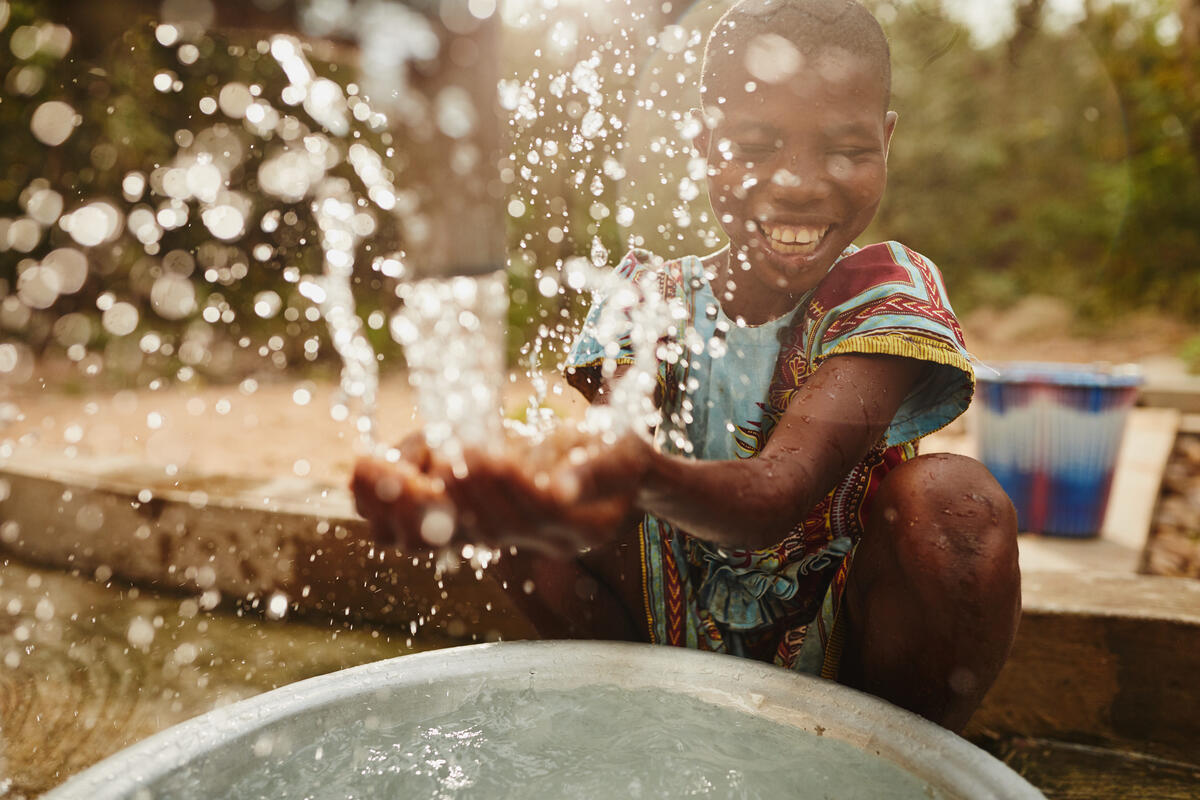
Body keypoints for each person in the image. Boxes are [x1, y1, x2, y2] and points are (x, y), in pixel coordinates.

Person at [353, 0, 1020, 735]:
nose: (797, 181)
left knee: (957, 503)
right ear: (703, 143)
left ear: (886, 140)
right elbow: (597, 473)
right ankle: (634, 736)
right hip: (655, 634)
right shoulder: (645, 298)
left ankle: (906, 761)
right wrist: (483, 481)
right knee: (534, 503)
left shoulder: (885, 293)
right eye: (755, 145)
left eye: (846, 150)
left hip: (844, 658)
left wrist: (635, 472)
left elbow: (777, 492)